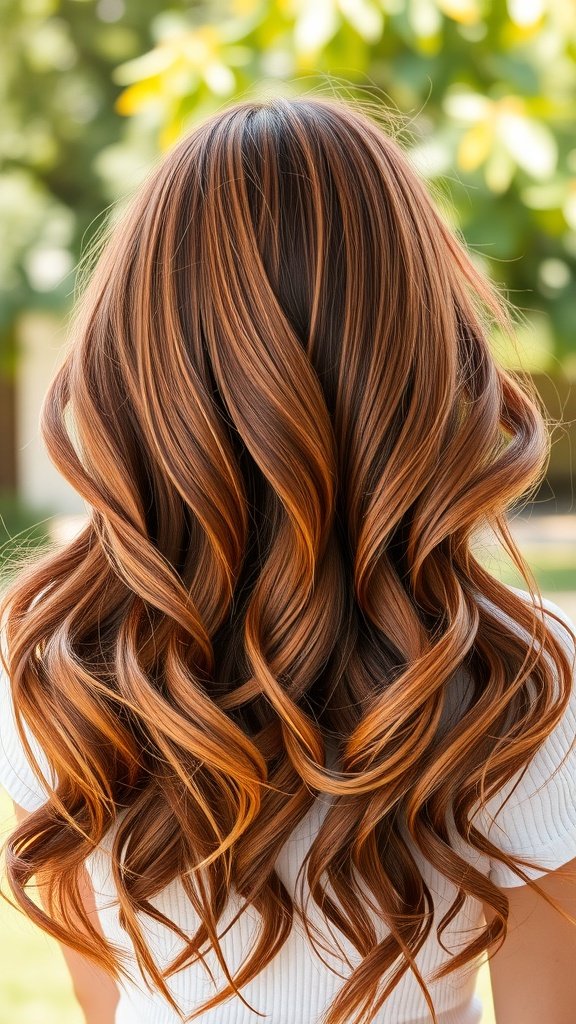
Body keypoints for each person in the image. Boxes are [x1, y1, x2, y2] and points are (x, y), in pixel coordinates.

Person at [1, 94, 576, 1024]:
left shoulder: (50, 665)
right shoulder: (525, 682)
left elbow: (104, 1000)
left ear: (134, 363)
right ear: (427, 355)